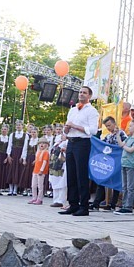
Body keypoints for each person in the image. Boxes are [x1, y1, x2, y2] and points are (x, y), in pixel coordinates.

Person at [60, 86, 100, 217]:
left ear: (89, 96)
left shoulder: (92, 111)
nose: (81, 94)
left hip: (83, 143)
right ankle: (73, 204)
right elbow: (67, 129)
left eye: (84, 93)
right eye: (80, 92)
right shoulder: (72, 110)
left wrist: (75, 126)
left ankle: (84, 206)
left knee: (81, 174)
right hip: (71, 142)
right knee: (70, 174)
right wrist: (66, 129)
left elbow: (93, 130)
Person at [91, 116, 125, 211]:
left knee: (116, 182)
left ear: (114, 124)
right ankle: (96, 202)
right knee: (102, 180)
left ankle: (113, 203)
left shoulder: (121, 133)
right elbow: (101, 144)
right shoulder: (108, 136)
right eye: (106, 126)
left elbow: (124, 144)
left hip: (117, 161)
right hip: (108, 162)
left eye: (109, 125)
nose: (108, 128)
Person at [115, 119, 134, 215]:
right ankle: (124, 204)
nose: (129, 127)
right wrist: (118, 134)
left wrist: (123, 147)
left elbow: (131, 150)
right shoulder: (129, 138)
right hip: (124, 163)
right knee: (124, 186)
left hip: (131, 164)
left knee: (130, 186)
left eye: (131, 126)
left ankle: (128, 206)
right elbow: (121, 144)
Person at [28, 138, 50, 205]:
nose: (41, 144)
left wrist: (41, 170)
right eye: (40, 143)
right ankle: (34, 197)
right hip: (35, 170)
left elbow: (44, 162)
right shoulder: (38, 152)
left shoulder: (46, 152)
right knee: (33, 185)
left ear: (46, 145)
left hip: (41, 171)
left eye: (43, 143)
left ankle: (40, 199)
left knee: (40, 186)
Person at [49, 134, 68, 208]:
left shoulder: (67, 142)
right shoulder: (56, 143)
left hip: (62, 165)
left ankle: (61, 200)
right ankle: (55, 199)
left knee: (62, 183)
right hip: (54, 165)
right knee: (54, 181)